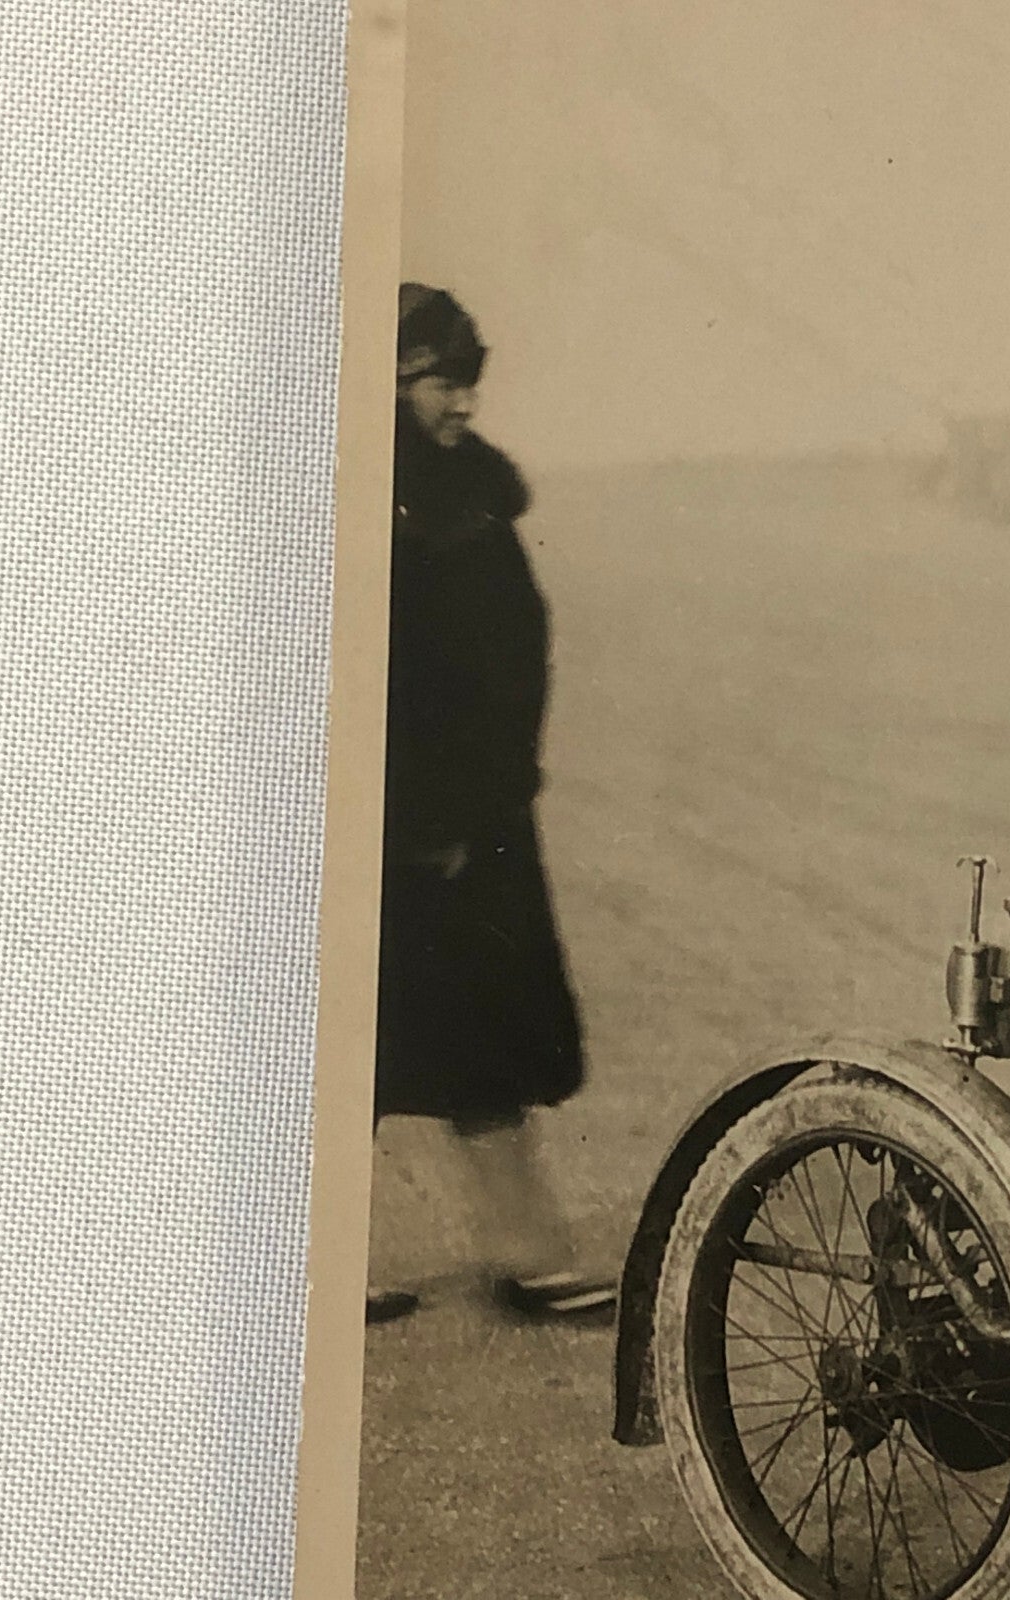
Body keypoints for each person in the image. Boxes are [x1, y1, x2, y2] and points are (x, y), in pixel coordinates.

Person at [367, 283, 616, 1323]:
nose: (462, 404)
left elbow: (516, 651)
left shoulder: (470, 494)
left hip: (481, 812)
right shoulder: (351, 497)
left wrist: (481, 797)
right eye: (439, 383)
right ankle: (341, 1254)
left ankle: (528, 1251)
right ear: (383, 382)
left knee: (489, 1045)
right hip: (388, 823)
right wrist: (414, 818)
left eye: (469, 383)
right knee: (350, 1046)